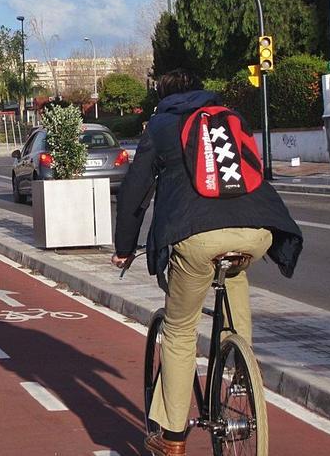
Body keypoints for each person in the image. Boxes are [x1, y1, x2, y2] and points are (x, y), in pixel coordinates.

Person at [111, 68, 303, 456]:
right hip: (258, 227)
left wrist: (125, 247)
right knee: (234, 274)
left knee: (180, 331)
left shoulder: (161, 125)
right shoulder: (229, 118)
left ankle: (173, 440)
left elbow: (135, 191)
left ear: (161, 95)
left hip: (197, 235)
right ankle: (241, 371)